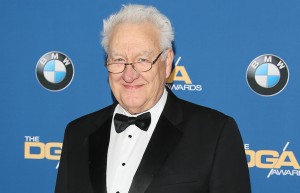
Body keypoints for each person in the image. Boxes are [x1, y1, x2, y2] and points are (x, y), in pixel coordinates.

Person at [55, 4, 251, 193]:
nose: (129, 75)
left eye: (142, 60)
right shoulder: (77, 132)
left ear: (167, 63)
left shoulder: (215, 134)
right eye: (119, 60)